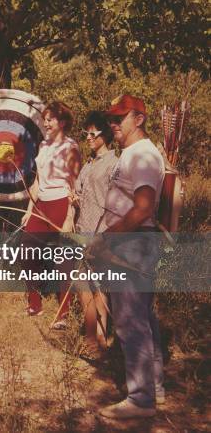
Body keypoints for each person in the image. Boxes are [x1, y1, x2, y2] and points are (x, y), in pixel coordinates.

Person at [88, 95, 165, 419]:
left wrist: (107, 239)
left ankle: (141, 399)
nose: (113, 124)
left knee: (131, 321)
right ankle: (154, 388)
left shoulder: (144, 155)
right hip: (131, 243)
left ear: (140, 119)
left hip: (132, 244)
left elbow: (144, 208)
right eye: (111, 118)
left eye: (120, 118)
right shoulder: (132, 153)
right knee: (142, 319)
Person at [21, 101, 81, 324]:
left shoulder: (71, 148)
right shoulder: (44, 145)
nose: (45, 123)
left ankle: (63, 313)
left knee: (62, 259)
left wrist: (69, 217)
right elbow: (37, 180)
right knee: (26, 252)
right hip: (41, 205)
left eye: (50, 119)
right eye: (44, 119)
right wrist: (30, 210)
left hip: (60, 204)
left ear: (62, 122)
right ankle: (35, 304)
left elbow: (75, 186)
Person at [72, 111, 117, 353]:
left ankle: (101, 337)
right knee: (82, 285)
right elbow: (79, 193)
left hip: (102, 234)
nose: (88, 137)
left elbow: (114, 204)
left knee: (100, 287)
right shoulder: (88, 164)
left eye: (93, 133)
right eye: (85, 133)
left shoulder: (114, 164)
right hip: (81, 230)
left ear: (105, 135)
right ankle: (92, 337)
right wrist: (74, 198)